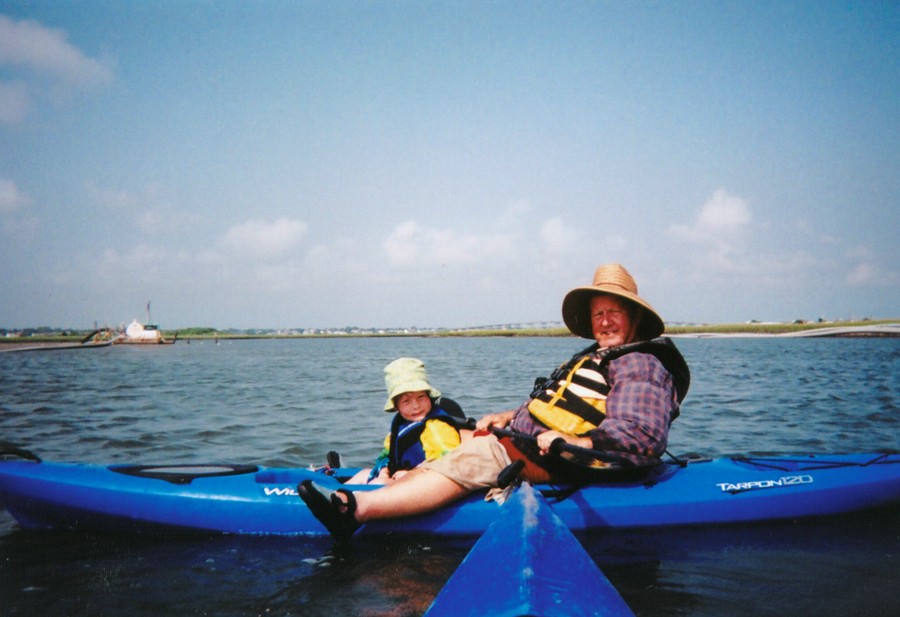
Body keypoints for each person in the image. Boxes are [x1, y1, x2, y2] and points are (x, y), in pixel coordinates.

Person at [299, 263, 690, 539]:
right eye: (598, 313)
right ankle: (395, 481)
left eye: (613, 312)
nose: (604, 321)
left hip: (568, 460)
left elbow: (641, 433)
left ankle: (357, 511)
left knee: (476, 455)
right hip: (532, 443)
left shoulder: (640, 364)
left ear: (634, 317)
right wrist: (506, 416)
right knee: (453, 435)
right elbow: (554, 407)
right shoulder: (596, 357)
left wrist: (575, 441)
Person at [345, 357, 469, 484]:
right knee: (364, 474)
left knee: (379, 483)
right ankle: (337, 494)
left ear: (429, 397)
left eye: (421, 397)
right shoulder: (399, 426)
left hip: (429, 483)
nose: (416, 406)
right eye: (406, 401)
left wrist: (412, 473)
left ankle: (353, 496)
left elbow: (448, 463)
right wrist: (383, 470)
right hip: (401, 478)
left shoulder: (437, 427)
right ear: (396, 406)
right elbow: (387, 455)